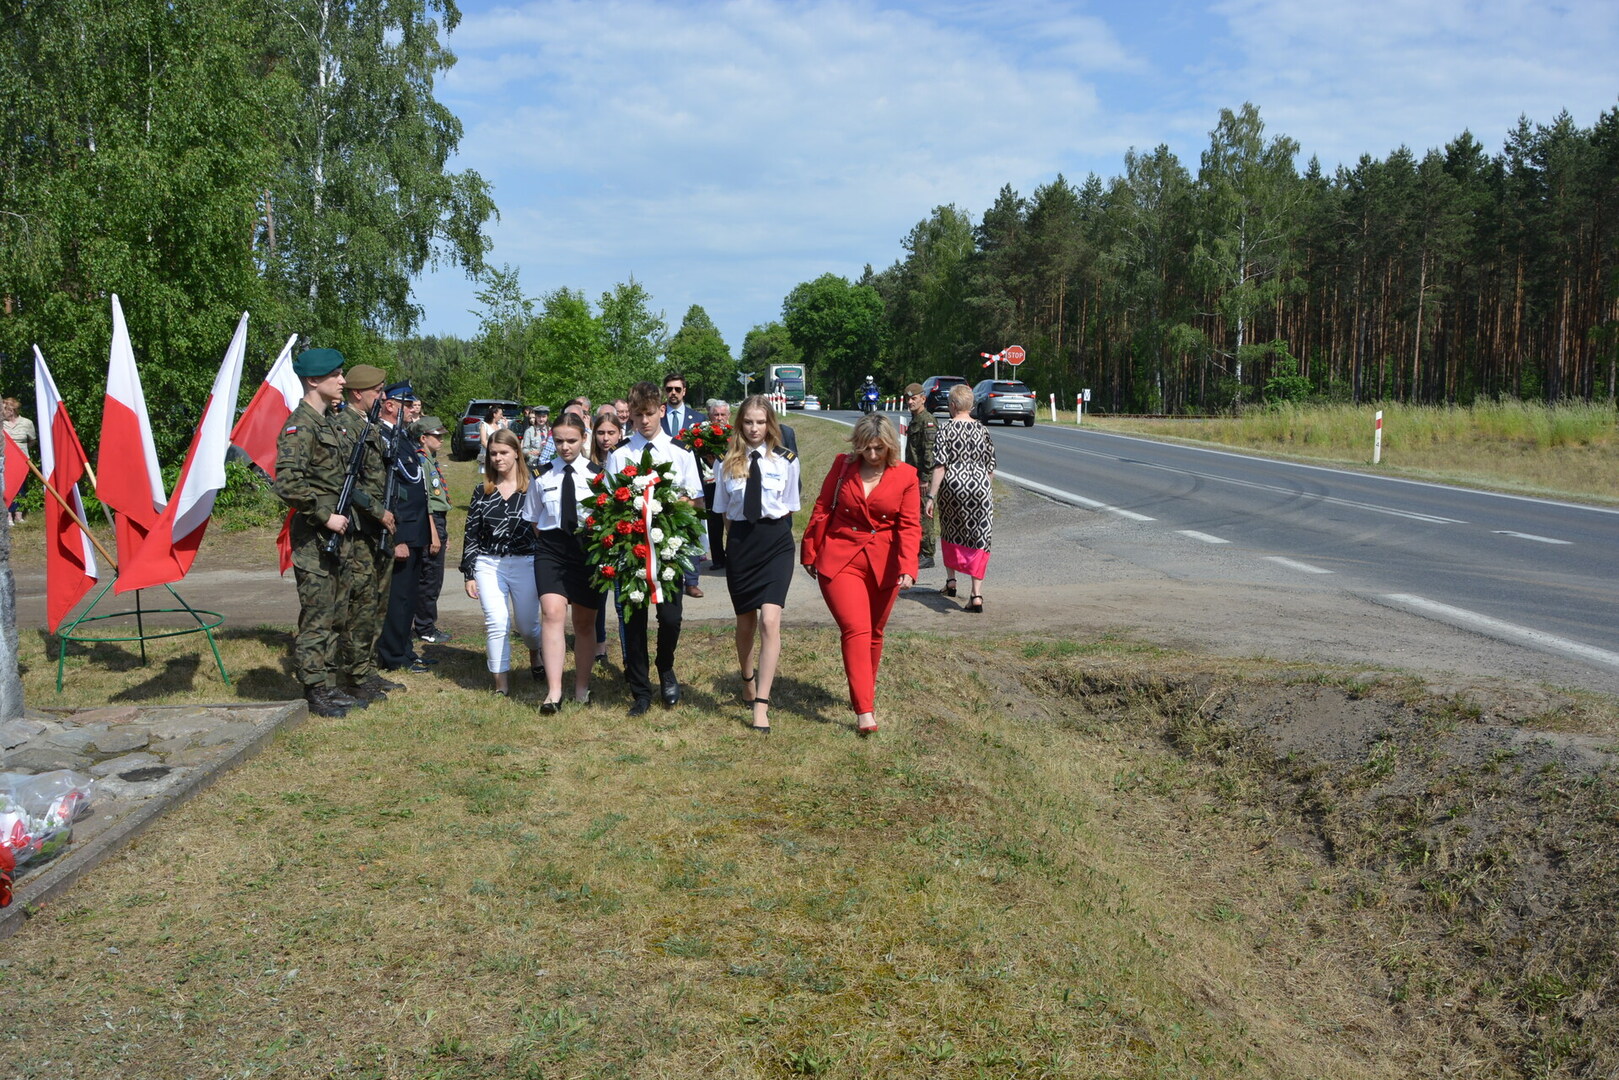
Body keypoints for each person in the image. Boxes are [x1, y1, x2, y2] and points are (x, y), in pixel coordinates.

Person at [273, 349, 383, 717]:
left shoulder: (328, 423)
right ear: (313, 380)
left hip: (340, 534)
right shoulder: (300, 425)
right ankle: (315, 690)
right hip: (316, 536)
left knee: (338, 612)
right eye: (335, 375)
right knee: (318, 615)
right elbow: (287, 482)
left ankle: (330, 683)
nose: (342, 380)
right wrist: (325, 516)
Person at [800, 412, 920, 737]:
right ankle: (864, 710)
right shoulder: (843, 466)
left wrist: (908, 566)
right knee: (856, 629)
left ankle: (865, 689)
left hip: (885, 563)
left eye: (879, 448)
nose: (872, 455)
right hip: (841, 558)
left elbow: (910, 525)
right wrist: (810, 550)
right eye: (866, 448)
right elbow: (822, 506)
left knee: (875, 633)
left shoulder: (906, 475)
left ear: (890, 446)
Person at [610, 380, 704, 715]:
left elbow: (695, 500)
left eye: (649, 413)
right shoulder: (620, 454)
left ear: (662, 410)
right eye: (637, 415)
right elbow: (610, 503)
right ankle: (640, 689)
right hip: (632, 549)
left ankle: (665, 666)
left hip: (667, 551)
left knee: (671, 617)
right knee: (633, 620)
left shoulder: (680, 452)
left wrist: (670, 508)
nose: (644, 421)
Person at [711, 396, 800, 734]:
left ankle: (762, 703)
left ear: (770, 424)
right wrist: (736, 544)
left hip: (776, 543)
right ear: (740, 424)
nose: (754, 428)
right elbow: (724, 512)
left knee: (770, 621)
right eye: (748, 422)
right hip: (741, 545)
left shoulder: (787, 461)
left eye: (760, 422)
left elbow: (790, 506)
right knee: (745, 622)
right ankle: (747, 677)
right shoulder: (725, 463)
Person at [523, 413, 603, 713]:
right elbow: (534, 519)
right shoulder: (541, 474)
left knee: (583, 622)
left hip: (587, 551)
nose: (565, 447)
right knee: (552, 613)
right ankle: (554, 692)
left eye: (571, 440)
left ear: (584, 438)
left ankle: (581, 688)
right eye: (559, 441)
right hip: (551, 549)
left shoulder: (598, 476)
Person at [334, 364, 402, 702]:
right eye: (377, 391)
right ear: (358, 393)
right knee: (360, 605)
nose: (383, 396)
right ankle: (354, 673)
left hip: (380, 529)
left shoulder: (370, 426)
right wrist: (378, 511)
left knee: (377, 601)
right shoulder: (345, 427)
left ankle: (367, 668)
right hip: (361, 530)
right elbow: (345, 483)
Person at [460, 428, 541, 696]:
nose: (498, 458)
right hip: (488, 563)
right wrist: (469, 574)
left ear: (516, 453)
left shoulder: (533, 488)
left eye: (504, 452)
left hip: (526, 562)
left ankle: (535, 651)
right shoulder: (481, 491)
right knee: (496, 622)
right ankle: (500, 684)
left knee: (527, 625)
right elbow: (471, 534)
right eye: (493, 454)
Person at [927, 383, 996, 612]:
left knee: (950, 530)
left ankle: (951, 581)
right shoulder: (983, 430)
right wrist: (984, 489)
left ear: (954, 405)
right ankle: (976, 594)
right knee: (980, 536)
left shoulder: (946, 429)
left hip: (953, 487)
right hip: (980, 486)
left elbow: (940, 466)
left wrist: (931, 496)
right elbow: (991, 467)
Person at [588, 408, 625, 667]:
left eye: (611, 432)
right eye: (601, 433)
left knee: (622, 598)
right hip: (595, 536)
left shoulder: (624, 459)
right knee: (597, 595)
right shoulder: (587, 463)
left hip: (621, 534)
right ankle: (599, 644)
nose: (605, 438)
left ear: (620, 433)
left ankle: (627, 649)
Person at [413, 416, 453, 644]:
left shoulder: (431, 460)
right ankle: (425, 627)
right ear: (423, 438)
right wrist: (434, 533)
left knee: (434, 577)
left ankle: (426, 624)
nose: (441, 439)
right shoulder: (421, 461)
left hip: (438, 521)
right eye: (436, 436)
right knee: (430, 578)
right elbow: (425, 500)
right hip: (431, 521)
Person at [902, 383, 937, 570]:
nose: (910, 402)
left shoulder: (927, 421)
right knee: (915, 512)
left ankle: (927, 553)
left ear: (923, 399)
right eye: (908, 399)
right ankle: (917, 549)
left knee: (925, 512)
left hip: (923, 477)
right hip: (913, 475)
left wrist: (925, 478)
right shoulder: (915, 420)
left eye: (914, 398)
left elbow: (929, 452)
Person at [700, 399, 731, 571]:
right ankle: (718, 558)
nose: (719, 418)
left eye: (722, 414)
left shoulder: (736, 434)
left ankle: (733, 555)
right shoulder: (702, 435)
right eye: (716, 414)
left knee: (732, 521)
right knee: (713, 522)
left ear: (729, 415)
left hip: (730, 482)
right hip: (710, 483)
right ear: (709, 416)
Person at [2, 397, 37, 524]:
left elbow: (32, 440)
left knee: (20, 487)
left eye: (5, 409)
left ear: (12, 410)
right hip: (5, 460)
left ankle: (19, 515)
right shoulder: (1, 423)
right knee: (7, 487)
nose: (3, 411)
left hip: (22, 460)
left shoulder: (27, 423)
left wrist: (21, 450)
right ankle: (8, 516)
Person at [660, 372, 695, 438]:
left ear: (684, 391)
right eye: (669, 389)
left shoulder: (698, 418)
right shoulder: (655, 416)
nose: (673, 392)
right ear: (665, 391)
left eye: (677, 389)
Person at [521, 405, 550, 475]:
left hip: (548, 464)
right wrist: (530, 452)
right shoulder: (529, 431)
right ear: (535, 417)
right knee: (535, 479)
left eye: (544, 417)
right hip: (534, 465)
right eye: (539, 417)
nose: (541, 419)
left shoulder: (550, 431)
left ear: (547, 417)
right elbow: (524, 449)